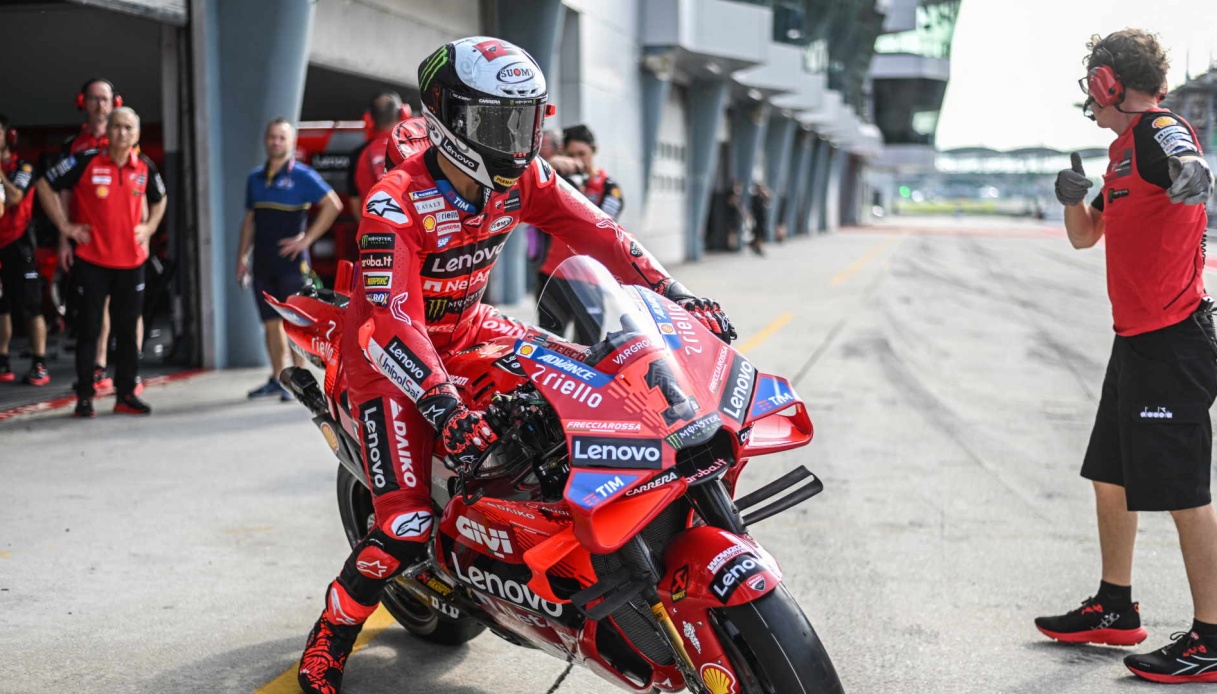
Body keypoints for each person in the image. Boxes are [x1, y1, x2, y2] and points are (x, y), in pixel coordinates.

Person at [296, 36, 736, 694]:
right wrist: (443, 409)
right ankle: (327, 643)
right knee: (406, 525)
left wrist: (676, 295)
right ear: (450, 120)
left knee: (605, 391)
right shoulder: (394, 203)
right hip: (388, 363)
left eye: (527, 120)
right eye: (502, 123)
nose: (520, 139)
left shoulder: (522, 177)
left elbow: (599, 233)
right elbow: (392, 322)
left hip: (475, 331)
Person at [1036, 29, 1217, 684]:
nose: (1089, 101)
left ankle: (1211, 637)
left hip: (1172, 342)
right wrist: (1069, 201)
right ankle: (1114, 608)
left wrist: (1191, 175)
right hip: (1135, 341)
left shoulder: (1157, 132)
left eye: (1092, 89)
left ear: (1106, 84)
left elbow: (1187, 166)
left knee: (1182, 491)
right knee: (1109, 474)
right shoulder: (1117, 155)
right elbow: (1087, 238)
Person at [35, 107, 166, 417]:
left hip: (131, 263)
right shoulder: (85, 160)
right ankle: (84, 396)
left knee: (127, 329)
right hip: (91, 261)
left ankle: (125, 394)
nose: (122, 133)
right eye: (117, 126)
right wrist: (66, 227)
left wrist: (148, 229)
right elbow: (44, 184)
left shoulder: (145, 167)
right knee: (89, 330)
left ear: (136, 134)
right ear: (108, 130)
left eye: (129, 128)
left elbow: (161, 199)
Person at [238, 118, 342, 401]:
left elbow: (334, 205)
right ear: (266, 140)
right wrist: (241, 258)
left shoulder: (303, 176)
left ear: (291, 142)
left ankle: (299, 379)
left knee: (293, 323)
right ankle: (275, 377)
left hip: (292, 264)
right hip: (262, 261)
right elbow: (249, 221)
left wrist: (307, 240)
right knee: (270, 323)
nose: (276, 142)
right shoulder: (255, 178)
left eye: (281, 138)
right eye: (272, 137)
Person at [64, 79, 123, 392]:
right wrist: (64, 234)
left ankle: (102, 366)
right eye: (93, 99)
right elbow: (61, 191)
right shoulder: (74, 146)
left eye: (105, 99)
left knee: (111, 305)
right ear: (82, 102)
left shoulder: (125, 138)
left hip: (118, 238)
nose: (99, 105)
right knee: (89, 307)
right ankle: (92, 368)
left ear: (115, 102)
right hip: (84, 239)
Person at [0, 114, 49, 385]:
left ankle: (39, 362)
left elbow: (15, 197)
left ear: (9, 136)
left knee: (31, 306)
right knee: (1, 306)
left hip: (19, 245)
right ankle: (3, 359)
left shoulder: (24, 167)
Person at [346, 92, 410, 217]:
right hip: (415, 231)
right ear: (404, 114)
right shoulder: (417, 148)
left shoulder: (358, 154)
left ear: (369, 118)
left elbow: (355, 205)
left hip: (374, 230)